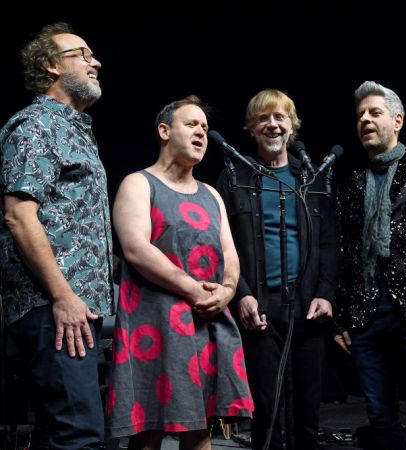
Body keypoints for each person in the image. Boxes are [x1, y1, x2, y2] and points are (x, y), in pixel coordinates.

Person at [106, 95, 253, 450]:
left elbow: (230, 254)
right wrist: (193, 288)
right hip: (154, 323)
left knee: (199, 427)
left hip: (205, 321)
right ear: (164, 131)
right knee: (150, 429)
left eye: (205, 127)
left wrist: (227, 290)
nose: (201, 132)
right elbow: (136, 249)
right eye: (191, 124)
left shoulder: (211, 194)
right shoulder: (139, 183)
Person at [0, 22, 114, 449]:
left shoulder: (74, 129)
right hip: (54, 306)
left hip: (72, 308)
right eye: (81, 54)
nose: (94, 62)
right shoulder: (36, 125)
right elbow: (19, 215)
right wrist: (63, 297)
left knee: (60, 434)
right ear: (50, 65)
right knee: (79, 434)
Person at [216, 89, 339, 450]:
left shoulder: (312, 178)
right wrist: (242, 295)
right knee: (265, 411)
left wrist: (326, 293)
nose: (272, 124)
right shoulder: (234, 178)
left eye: (280, 117)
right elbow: (221, 247)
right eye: (263, 118)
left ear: (292, 126)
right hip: (260, 305)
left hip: (307, 305)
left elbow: (330, 243)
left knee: (308, 409)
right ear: (251, 128)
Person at [335, 80, 406, 450]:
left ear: (397, 120)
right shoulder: (352, 183)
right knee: (381, 418)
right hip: (367, 318)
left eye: (375, 113)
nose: (365, 120)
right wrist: (342, 318)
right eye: (360, 115)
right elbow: (344, 252)